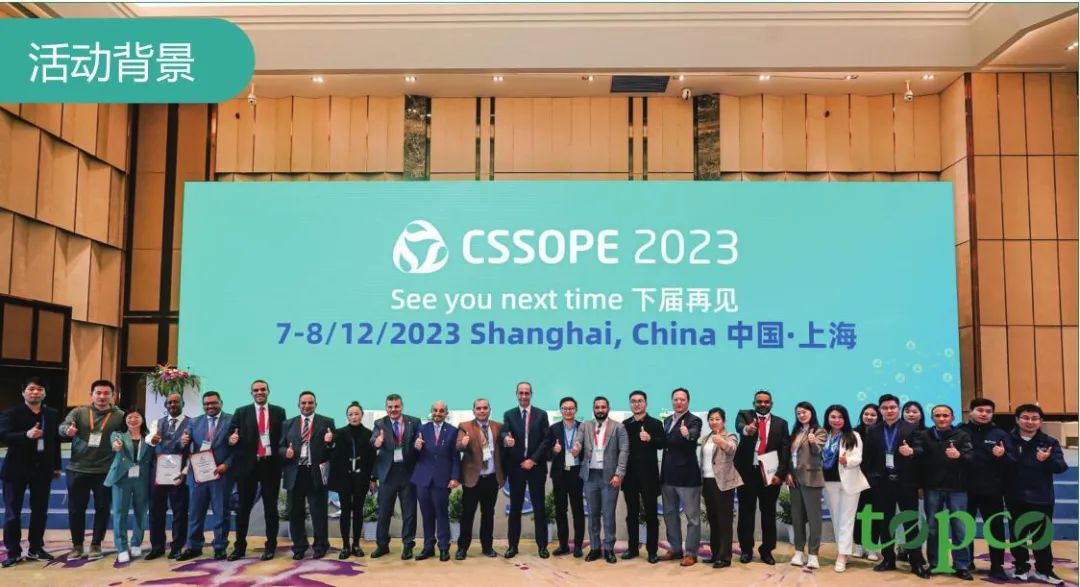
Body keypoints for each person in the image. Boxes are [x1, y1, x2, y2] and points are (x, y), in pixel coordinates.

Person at [863, 393, 929, 578]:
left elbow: (921, 450)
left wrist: (911, 451)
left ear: (898, 409)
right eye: (885, 408)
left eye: (892, 407)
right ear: (880, 410)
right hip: (882, 484)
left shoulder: (911, 427)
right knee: (885, 523)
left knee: (910, 522)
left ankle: (916, 562)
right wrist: (873, 478)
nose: (889, 411)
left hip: (906, 483)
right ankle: (888, 559)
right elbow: (868, 457)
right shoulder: (873, 430)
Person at [59, 379, 126, 560]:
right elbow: (63, 426)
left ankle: (96, 544)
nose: (102, 397)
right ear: (91, 395)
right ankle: (77, 545)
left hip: (105, 470)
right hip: (78, 468)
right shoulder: (78, 412)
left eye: (106, 393)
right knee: (76, 509)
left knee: (102, 508)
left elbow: (129, 435)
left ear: (113, 396)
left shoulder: (120, 416)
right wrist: (67, 431)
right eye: (98, 393)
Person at [0, 377, 61, 567]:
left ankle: (36, 548)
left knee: (40, 511)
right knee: (13, 513)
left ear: (45, 393)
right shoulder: (11, 413)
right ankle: (13, 551)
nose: (35, 392)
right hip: (15, 469)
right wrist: (25, 435)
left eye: (39, 389)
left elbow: (54, 441)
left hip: (42, 469)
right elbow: (3, 436)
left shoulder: (51, 414)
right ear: (23, 392)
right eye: (31, 389)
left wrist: (56, 466)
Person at [1006, 404, 1069, 585]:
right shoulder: (1007, 440)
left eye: (1034, 418)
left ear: (1041, 421)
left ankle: (1044, 570)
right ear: (1017, 420)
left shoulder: (1049, 442)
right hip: (1015, 496)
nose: (1030, 422)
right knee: (1018, 535)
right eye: (1025, 418)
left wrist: (1047, 460)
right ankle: (1021, 567)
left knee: (1042, 536)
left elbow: (1061, 467)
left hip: (1042, 497)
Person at [911, 404, 974, 580]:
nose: (941, 418)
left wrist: (959, 455)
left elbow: (971, 457)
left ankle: (962, 565)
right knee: (932, 528)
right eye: (937, 415)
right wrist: (912, 452)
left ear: (952, 418)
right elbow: (919, 456)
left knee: (959, 528)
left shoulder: (962, 435)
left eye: (945, 415)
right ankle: (935, 563)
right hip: (932, 488)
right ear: (932, 418)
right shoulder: (924, 435)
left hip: (957, 489)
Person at [227, 379, 286, 561]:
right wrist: (232, 439)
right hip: (247, 467)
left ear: (268, 391)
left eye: (262, 389)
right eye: (256, 390)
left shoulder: (279, 412)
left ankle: (271, 546)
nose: (259, 392)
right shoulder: (241, 412)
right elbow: (231, 435)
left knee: (271, 509)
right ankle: (239, 547)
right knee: (243, 509)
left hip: (270, 466)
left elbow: (283, 438)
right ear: (251, 393)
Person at [734, 389, 790, 565]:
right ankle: (746, 550)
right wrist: (747, 429)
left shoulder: (781, 423)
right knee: (746, 513)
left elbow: (785, 451)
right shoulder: (745, 415)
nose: (763, 404)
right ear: (754, 404)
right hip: (747, 473)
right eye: (759, 402)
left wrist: (780, 474)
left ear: (771, 404)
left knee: (768, 514)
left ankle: (767, 550)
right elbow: (740, 426)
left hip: (770, 474)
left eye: (766, 402)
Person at [176, 391, 235, 561]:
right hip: (198, 475)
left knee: (221, 513)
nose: (210, 406)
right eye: (207, 404)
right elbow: (183, 444)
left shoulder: (231, 421)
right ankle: (194, 547)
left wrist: (227, 465)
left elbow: (238, 448)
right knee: (195, 513)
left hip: (220, 474)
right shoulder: (194, 422)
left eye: (214, 403)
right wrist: (183, 442)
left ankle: (220, 547)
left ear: (221, 403)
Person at [960, 398, 1012, 580]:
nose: (984, 414)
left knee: (995, 528)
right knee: (964, 527)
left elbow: (1013, 461)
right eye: (980, 410)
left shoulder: (1001, 434)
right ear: (971, 411)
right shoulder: (960, 431)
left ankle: (997, 565)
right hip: (964, 488)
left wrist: (1003, 455)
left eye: (988, 411)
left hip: (992, 490)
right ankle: (965, 562)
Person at [281, 391, 335, 560]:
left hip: (316, 472)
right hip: (295, 473)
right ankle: (299, 547)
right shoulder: (288, 424)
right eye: (303, 403)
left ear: (315, 405)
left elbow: (333, 449)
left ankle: (320, 546)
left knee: (319, 513)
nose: (307, 406)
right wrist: (285, 452)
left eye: (310, 403)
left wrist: (329, 442)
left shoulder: (326, 422)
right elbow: (280, 447)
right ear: (298, 405)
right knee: (295, 513)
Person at [500, 381, 550, 559]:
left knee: (539, 508)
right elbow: (504, 432)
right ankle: (512, 546)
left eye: (526, 393)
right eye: (520, 393)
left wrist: (532, 460)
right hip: (516, 468)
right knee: (515, 509)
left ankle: (542, 546)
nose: (523, 396)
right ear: (516, 394)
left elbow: (546, 440)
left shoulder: (541, 415)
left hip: (536, 468)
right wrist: (506, 439)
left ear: (531, 394)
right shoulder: (509, 414)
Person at [370, 393, 421, 559]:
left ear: (402, 407)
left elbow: (418, 441)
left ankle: (408, 546)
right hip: (388, 474)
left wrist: (418, 445)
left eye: (396, 406)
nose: (393, 410)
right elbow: (373, 441)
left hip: (408, 474)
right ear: (386, 408)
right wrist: (377, 442)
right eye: (390, 407)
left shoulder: (414, 421)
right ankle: (382, 545)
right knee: (384, 512)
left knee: (409, 513)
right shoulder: (380, 423)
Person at [821, 405, 870, 573]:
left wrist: (846, 461)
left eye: (840, 417)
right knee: (836, 518)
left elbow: (858, 458)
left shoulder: (853, 435)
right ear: (828, 418)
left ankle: (842, 555)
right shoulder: (823, 435)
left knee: (847, 519)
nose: (837, 420)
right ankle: (844, 550)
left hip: (849, 482)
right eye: (833, 417)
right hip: (829, 482)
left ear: (845, 419)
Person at [578, 396, 628, 564]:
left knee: (608, 515)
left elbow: (624, 451)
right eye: (597, 407)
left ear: (608, 408)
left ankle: (609, 549)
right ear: (593, 409)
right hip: (590, 476)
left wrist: (619, 474)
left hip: (610, 478)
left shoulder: (618, 427)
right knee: (592, 514)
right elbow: (578, 441)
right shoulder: (585, 425)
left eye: (603, 407)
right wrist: (576, 447)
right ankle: (594, 548)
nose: (600, 410)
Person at [410, 401, 460, 562]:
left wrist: (455, 477)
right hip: (423, 479)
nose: (438, 413)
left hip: (442, 479)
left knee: (442, 514)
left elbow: (455, 457)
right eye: (435, 410)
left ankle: (444, 547)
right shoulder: (421, 429)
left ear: (446, 413)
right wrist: (416, 447)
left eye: (441, 411)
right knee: (426, 515)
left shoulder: (452, 431)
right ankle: (428, 547)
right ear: (431, 411)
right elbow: (413, 453)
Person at [455, 398, 504, 560]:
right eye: (478, 408)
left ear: (489, 410)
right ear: (474, 411)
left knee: (488, 514)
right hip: (472, 479)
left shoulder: (498, 427)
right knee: (467, 515)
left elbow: (503, 449)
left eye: (485, 408)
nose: (482, 411)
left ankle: (487, 547)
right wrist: (463, 444)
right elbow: (458, 446)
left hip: (491, 478)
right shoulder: (465, 426)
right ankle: (462, 548)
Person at [660, 387, 703, 566]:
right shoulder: (667, 420)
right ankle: (676, 548)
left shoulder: (694, 420)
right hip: (668, 476)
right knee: (670, 515)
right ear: (672, 401)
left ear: (688, 402)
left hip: (687, 477)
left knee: (692, 518)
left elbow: (693, 435)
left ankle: (691, 553)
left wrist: (687, 434)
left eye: (682, 399)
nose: (678, 402)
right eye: (676, 399)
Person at [327, 401, 376, 559]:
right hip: (344, 479)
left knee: (358, 511)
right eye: (351, 414)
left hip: (361, 478)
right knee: (345, 511)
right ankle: (345, 546)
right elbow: (331, 453)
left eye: (356, 414)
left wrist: (373, 478)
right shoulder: (339, 433)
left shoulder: (369, 434)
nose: (354, 417)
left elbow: (372, 459)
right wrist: (329, 442)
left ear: (362, 415)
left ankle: (356, 544)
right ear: (347, 417)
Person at [621, 390, 664, 563]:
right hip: (630, 477)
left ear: (646, 403)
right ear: (630, 404)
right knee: (631, 514)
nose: (636, 404)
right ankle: (632, 549)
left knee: (651, 515)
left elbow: (663, 444)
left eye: (640, 401)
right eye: (633, 401)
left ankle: (652, 551)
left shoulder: (655, 423)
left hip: (649, 477)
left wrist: (650, 438)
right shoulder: (625, 425)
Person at [145, 392, 190, 560]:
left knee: (180, 511)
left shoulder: (192, 423)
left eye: (176, 402)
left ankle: (177, 547)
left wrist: (185, 472)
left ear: (183, 403)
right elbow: (149, 438)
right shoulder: (157, 423)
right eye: (170, 402)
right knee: (156, 510)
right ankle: (157, 547)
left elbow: (194, 451)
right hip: (159, 473)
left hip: (180, 474)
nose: (173, 405)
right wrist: (152, 439)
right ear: (166, 405)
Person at [106, 409, 155, 563]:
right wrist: (117, 446)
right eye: (130, 417)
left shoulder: (149, 437)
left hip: (142, 478)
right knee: (120, 512)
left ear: (142, 419)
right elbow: (115, 445)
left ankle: (136, 543)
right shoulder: (118, 435)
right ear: (125, 419)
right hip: (122, 477)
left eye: (136, 417)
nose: (133, 419)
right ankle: (121, 547)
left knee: (141, 512)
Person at [699, 407, 741, 569]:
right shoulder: (706, 438)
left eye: (717, 419)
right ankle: (715, 553)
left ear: (723, 421)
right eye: (711, 419)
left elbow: (732, 449)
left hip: (723, 483)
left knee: (724, 520)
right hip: (707, 481)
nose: (714, 422)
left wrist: (722, 443)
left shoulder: (730, 436)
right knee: (713, 519)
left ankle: (725, 557)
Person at [787, 401, 826, 569]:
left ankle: (813, 554)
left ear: (812, 413)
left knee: (814, 518)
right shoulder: (795, 432)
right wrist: (788, 473)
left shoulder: (819, 431)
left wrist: (813, 441)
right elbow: (790, 456)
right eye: (798, 413)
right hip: (794, 479)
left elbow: (818, 451)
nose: (801, 415)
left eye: (804, 412)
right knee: (797, 517)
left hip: (811, 478)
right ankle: (798, 551)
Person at [546, 396, 585, 557]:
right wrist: (553, 451)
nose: (568, 411)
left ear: (576, 410)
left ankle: (578, 546)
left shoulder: (583, 427)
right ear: (561, 410)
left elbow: (589, 450)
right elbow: (546, 453)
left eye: (571, 408)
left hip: (577, 473)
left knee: (578, 510)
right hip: (559, 474)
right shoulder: (553, 428)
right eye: (565, 408)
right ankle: (563, 545)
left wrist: (580, 450)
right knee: (560, 510)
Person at [853, 403, 882, 562]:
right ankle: (858, 545)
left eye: (873, 415)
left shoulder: (883, 432)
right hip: (857, 479)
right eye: (866, 414)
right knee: (858, 513)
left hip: (877, 480)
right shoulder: (854, 432)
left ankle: (872, 547)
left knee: (875, 514)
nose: (869, 417)